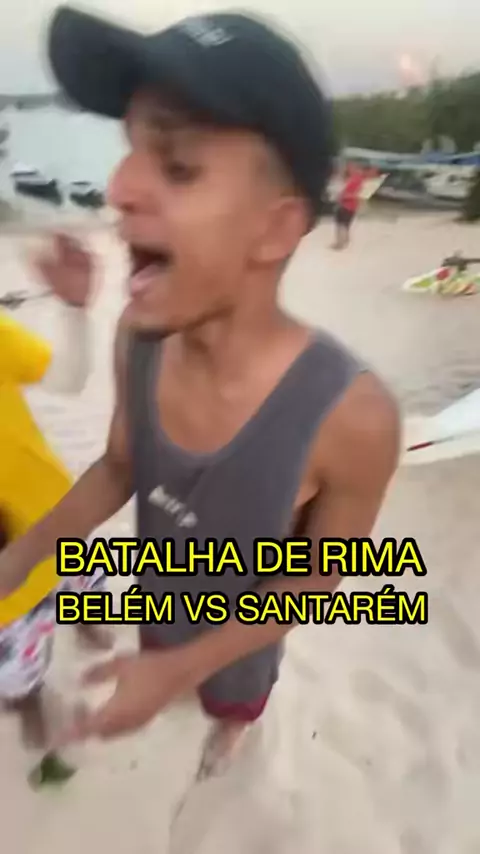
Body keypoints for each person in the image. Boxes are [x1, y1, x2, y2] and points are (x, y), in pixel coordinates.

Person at [0, 6, 400, 777]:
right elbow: (120, 466)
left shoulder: (352, 417)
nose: (119, 188)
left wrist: (186, 669)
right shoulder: (138, 339)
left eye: (178, 166)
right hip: (160, 599)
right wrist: (23, 554)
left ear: (274, 230)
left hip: (243, 635)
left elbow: (322, 576)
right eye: (129, 153)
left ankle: (228, 734)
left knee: (230, 705)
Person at [0, 234, 111, 747]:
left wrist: (74, 310)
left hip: (56, 514)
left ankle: (85, 617)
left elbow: (67, 377)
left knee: (86, 581)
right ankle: (27, 693)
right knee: (15, 665)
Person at [332, 163, 366, 250]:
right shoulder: (358, 179)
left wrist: (343, 196)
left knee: (341, 224)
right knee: (345, 224)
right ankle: (344, 241)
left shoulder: (355, 180)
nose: (347, 169)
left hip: (346, 205)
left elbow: (356, 194)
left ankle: (340, 243)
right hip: (350, 205)